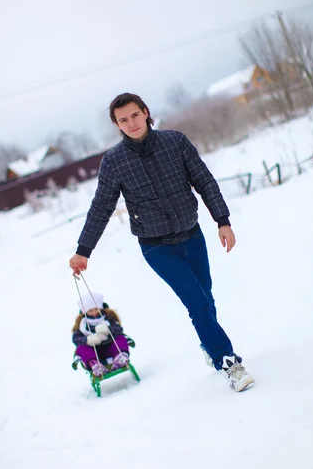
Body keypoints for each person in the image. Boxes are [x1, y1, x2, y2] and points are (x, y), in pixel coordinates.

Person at [69, 92, 254, 392]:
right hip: (157, 247)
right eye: (123, 120)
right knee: (196, 302)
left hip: (191, 235)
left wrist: (222, 220)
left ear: (145, 112)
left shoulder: (175, 142)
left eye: (134, 115)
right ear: (117, 125)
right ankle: (229, 362)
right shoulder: (114, 162)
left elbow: (204, 180)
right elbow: (101, 207)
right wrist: (83, 251)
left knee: (205, 298)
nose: (131, 123)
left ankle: (210, 345)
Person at [72, 290, 130, 377]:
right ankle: (95, 365)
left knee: (121, 338)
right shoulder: (82, 323)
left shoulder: (108, 317)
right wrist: (87, 340)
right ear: (84, 311)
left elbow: (119, 329)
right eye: (90, 310)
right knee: (80, 349)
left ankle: (120, 357)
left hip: (111, 348)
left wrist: (109, 330)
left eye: (96, 309)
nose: (94, 312)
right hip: (94, 353)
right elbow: (75, 338)